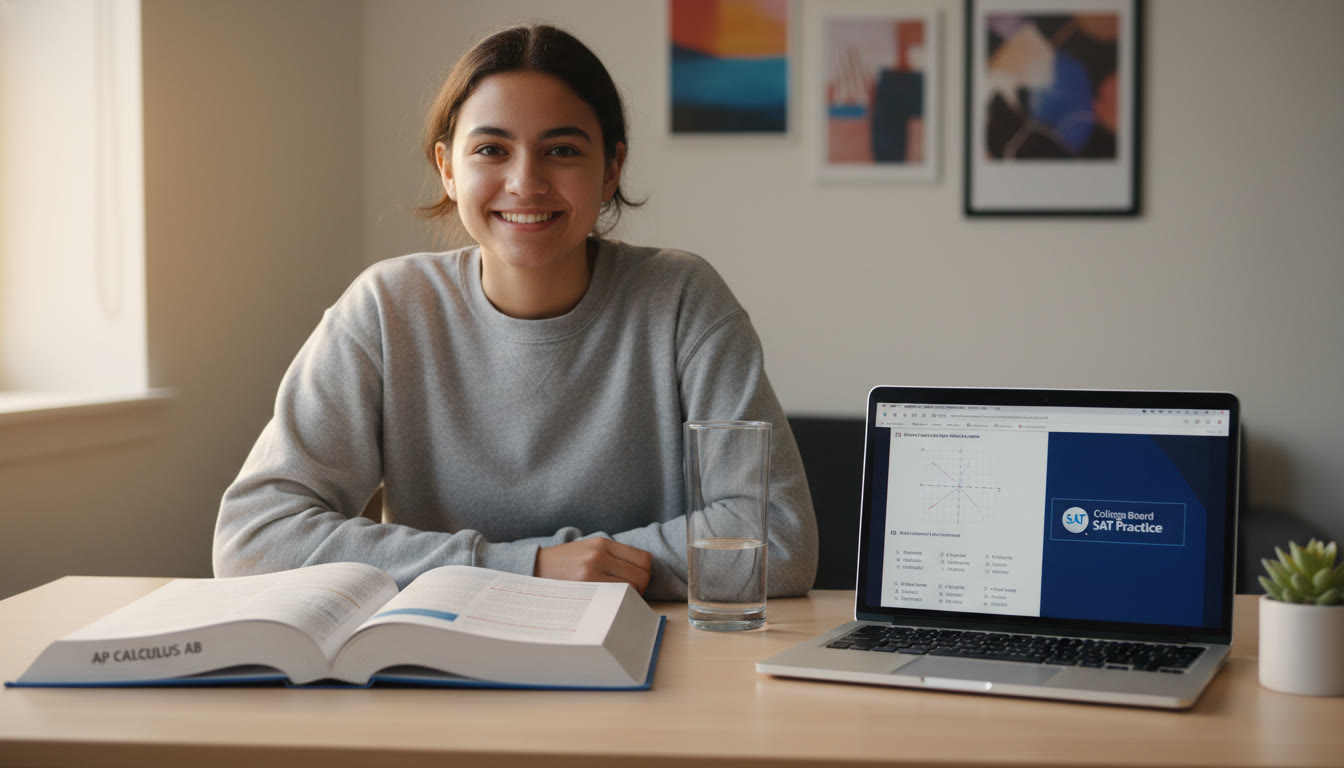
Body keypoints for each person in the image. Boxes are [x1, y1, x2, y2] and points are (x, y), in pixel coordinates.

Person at [212, 24, 817, 599]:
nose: (526, 181)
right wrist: (522, 567)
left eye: (561, 149)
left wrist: (584, 572)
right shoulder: (384, 310)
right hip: (442, 654)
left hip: (647, 655)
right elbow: (252, 538)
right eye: (492, 149)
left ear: (610, 170)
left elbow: (780, 538)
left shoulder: (682, 299)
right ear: (448, 169)